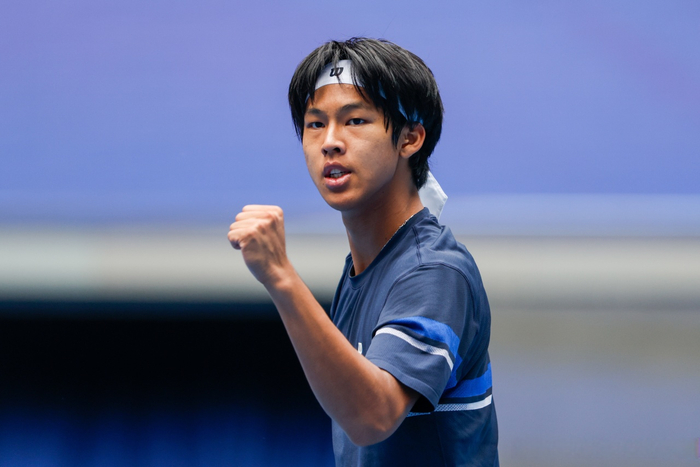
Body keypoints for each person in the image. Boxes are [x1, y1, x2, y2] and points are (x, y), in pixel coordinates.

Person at [228, 37, 498, 466]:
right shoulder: (363, 269)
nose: (330, 142)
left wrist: (281, 277)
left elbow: (373, 416)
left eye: (355, 120)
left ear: (410, 138)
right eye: (315, 124)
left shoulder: (434, 271)